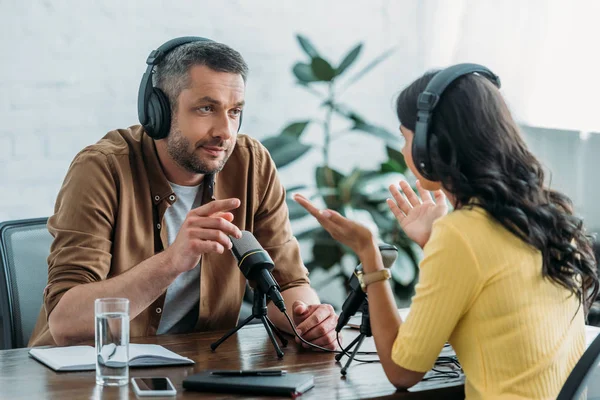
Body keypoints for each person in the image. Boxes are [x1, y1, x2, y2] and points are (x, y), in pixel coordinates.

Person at [294, 64, 599, 399]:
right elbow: (505, 315)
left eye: (405, 137)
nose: (402, 149)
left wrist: (370, 254)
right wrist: (434, 240)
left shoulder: (462, 235)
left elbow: (401, 370)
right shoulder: (551, 215)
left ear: (430, 145)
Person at [29, 37, 338, 349]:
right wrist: (172, 261)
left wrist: (309, 318)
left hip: (202, 372)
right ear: (158, 112)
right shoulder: (102, 168)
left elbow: (289, 284)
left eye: (234, 111)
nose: (225, 131)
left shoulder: (251, 163)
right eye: (206, 108)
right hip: (88, 374)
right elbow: (66, 323)